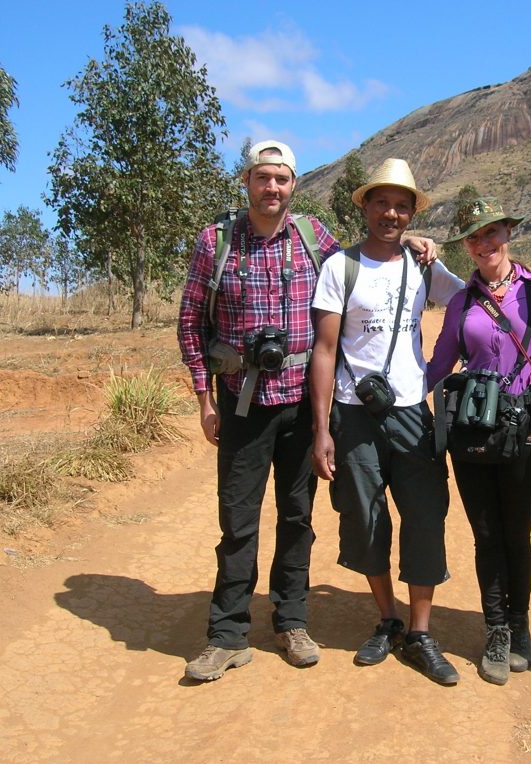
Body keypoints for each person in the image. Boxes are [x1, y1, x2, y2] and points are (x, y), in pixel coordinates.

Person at [177, 141, 435, 682]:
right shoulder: (215, 241)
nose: (272, 188)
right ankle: (227, 635)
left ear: (294, 185)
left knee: (298, 517)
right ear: (247, 180)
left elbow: (369, 256)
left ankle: (292, 621)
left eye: (283, 179)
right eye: (263, 177)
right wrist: (204, 398)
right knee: (238, 518)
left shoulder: (314, 238)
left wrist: (408, 240)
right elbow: (189, 322)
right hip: (242, 401)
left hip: (299, 401)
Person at [427, 197, 531, 685]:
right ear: (467, 245)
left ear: (508, 234)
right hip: (475, 431)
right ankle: (496, 630)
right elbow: (440, 365)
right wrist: (392, 397)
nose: (484, 244)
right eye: (475, 237)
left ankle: (519, 627)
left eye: (492, 233)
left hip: (529, 430)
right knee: (485, 535)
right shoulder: (460, 301)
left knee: (515, 532)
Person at [309, 158, 465, 685]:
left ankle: (420, 633)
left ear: (411, 213)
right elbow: (325, 351)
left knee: (425, 515)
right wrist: (322, 428)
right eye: (383, 203)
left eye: (402, 205)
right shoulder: (339, 268)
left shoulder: (423, 267)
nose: (391, 213)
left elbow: (474, 302)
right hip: (353, 415)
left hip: (411, 413)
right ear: (366, 207)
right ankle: (389, 619)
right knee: (366, 517)